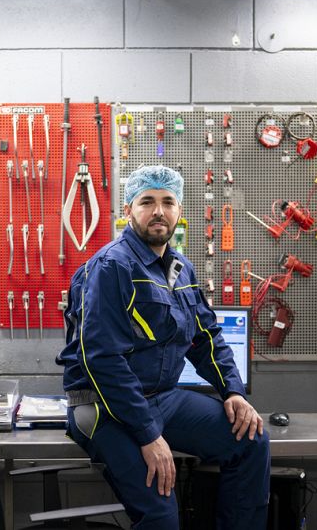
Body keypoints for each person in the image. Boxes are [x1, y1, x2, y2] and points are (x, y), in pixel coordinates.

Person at [57, 165, 270, 530]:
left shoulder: (180, 269)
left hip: (163, 398)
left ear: (179, 211)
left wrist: (232, 391)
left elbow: (205, 337)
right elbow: (102, 359)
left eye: (168, 202)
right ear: (128, 211)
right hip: (104, 406)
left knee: (251, 440)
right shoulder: (112, 267)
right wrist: (148, 435)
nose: (159, 211)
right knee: (160, 513)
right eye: (147, 202)